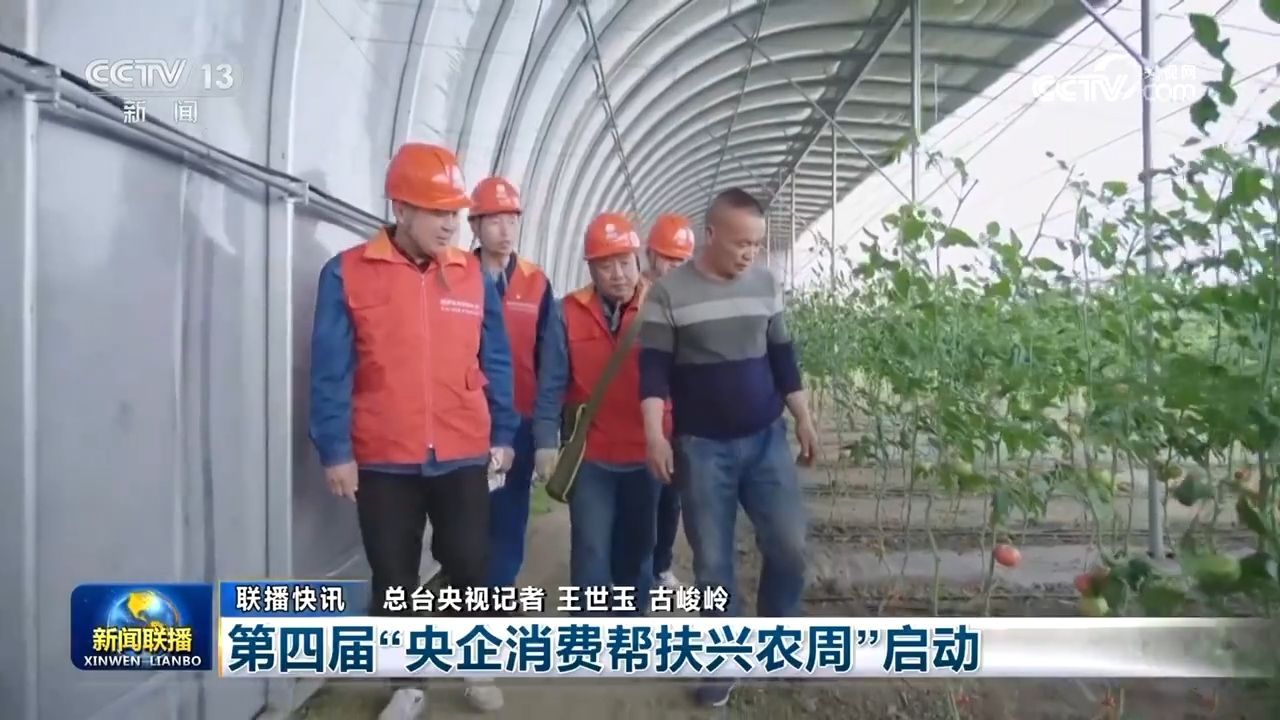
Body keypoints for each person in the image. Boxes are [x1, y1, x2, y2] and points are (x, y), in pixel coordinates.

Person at [308, 142, 519, 717]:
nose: (450, 224)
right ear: (400, 209)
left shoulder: (472, 276)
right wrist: (335, 450)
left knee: (469, 561)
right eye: (436, 211)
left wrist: (504, 434)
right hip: (383, 455)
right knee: (394, 575)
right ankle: (407, 682)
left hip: (462, 448)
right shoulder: (347, 273)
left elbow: (497, 358)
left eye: (455, 211)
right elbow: (330, 370)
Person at [637, 188, 818, 708]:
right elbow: (653, 373)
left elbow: (783, 358)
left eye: (756, 244)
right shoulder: (669, 294)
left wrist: (803, 417)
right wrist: (655, 435)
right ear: (711, 235)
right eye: (741, 243)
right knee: (713, 563)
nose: (750, 254)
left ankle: (782, 642)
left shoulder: (766, 284)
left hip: (766, 441)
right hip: (702, 449)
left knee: (789, 545)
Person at [532, 212, 666, 615]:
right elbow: (551, 382)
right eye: (606, 266)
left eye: (625, 262)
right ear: (590, 269)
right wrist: (545, 442)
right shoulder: (566, 312)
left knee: (637, 548)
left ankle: (632, 626)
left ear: (637, 261)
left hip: (647, 453)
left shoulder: (661, 307)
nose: (618, 275)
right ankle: (591, 630)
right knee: (590, 548)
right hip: (591, 456)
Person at [467, 176, 555, 592]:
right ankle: (470, 583)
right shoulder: (457, 274)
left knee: (513, 503)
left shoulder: (536, 282)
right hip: (466, 416)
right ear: (474, 226)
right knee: (468, 507)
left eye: (512, 220)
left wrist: (545, 428)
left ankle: (501, 586)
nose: (505, 230)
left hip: (519, 415)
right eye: (494, 220)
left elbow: (549, 357)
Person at [641, 214, 695, 589]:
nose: (675, 267)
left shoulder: (693, 298)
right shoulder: (636, 295)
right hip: (644, 414)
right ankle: (639, 571)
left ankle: (661, 566)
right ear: (651, 256)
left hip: (680, 416)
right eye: (668, 258)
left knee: (670, 497)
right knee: (643, 497)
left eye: (681, 260)